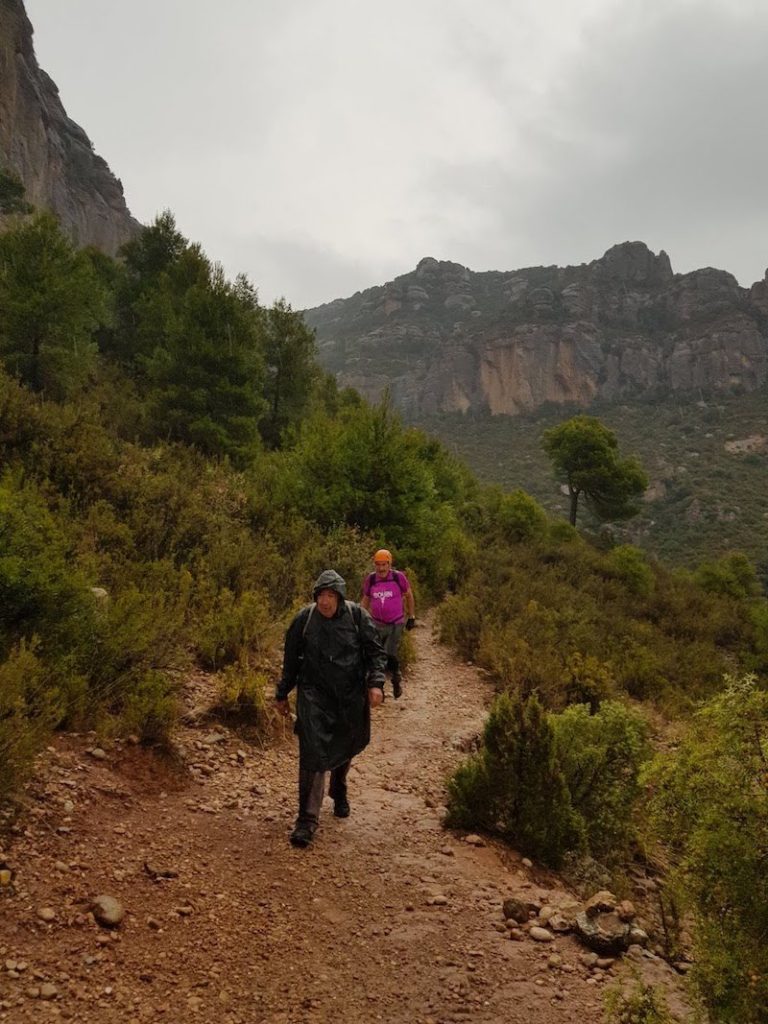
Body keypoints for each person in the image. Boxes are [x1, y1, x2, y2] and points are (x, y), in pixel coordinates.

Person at [275, 569, 386, 848]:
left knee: (345, 744)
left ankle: (338, 788)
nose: (324, 601)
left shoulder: (357, 617)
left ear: (339, 597)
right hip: (313, 696)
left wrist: (375, 684)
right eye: (320, 595)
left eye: (330, 595)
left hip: (349, 697)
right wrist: (282, 693)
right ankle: (307, 821)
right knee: (312, 753)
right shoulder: (304, 619)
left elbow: (375, 653)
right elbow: (290, 661)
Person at [360, 549, 415, 700]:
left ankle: (394, 680)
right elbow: (365, 599)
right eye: (378, 565)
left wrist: (411, 616)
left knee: (387, 653)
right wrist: (359, 617)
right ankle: (382, 687)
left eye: (384, 565)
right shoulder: (371, 580)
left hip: (395, 623)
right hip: (376, 623)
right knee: (376, 655)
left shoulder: (398, 577)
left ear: (389, 564)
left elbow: (409, 595)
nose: (381, 568)